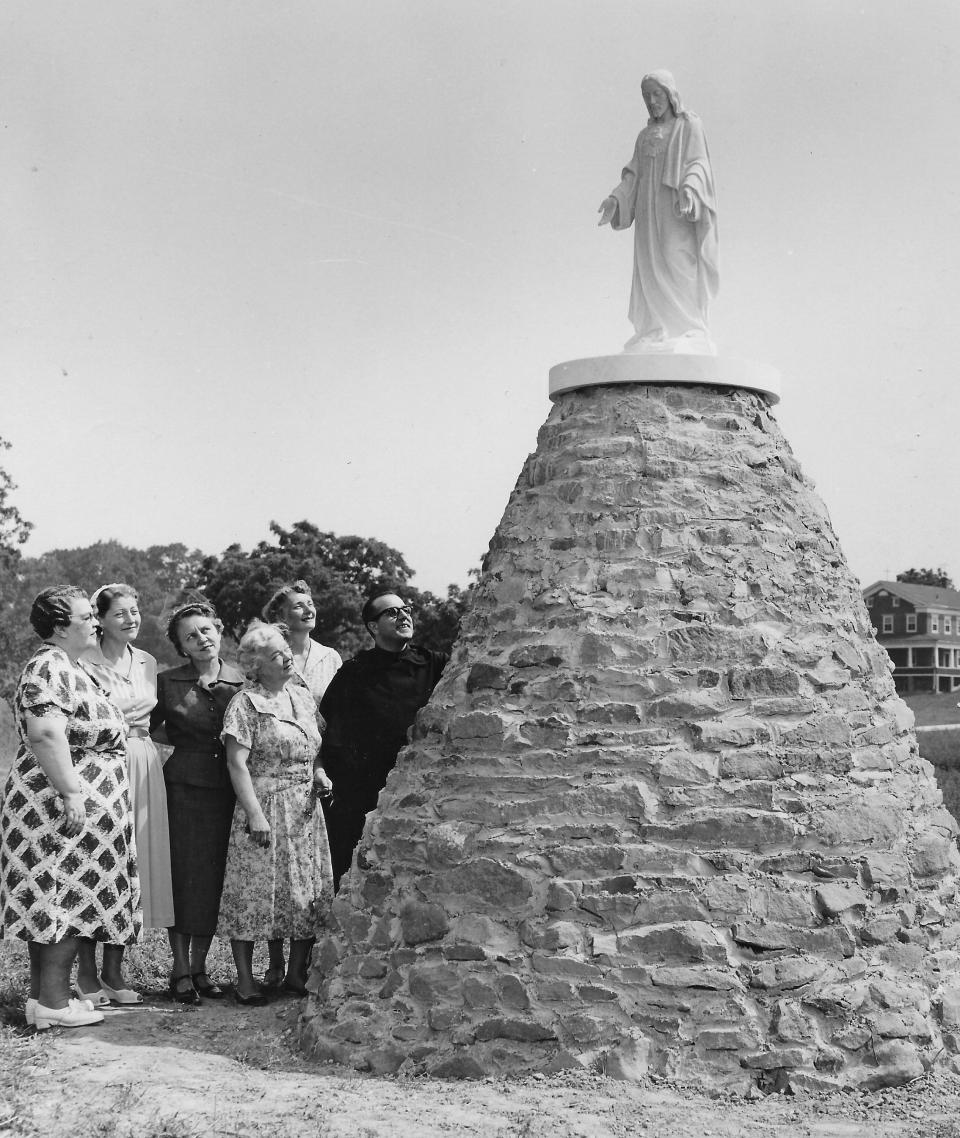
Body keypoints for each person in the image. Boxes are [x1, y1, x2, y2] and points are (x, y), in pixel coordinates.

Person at [0, 586, 139, 1030]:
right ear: (60, 628)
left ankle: (46, 999)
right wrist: (72, 792)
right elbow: (44, 733)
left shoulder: (70, 666)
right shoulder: (48, 666)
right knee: (61, 897)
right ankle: (55, 1004)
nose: (96, 623)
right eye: (85, 618)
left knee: (57, 898)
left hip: (72, 803)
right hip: (55, 805)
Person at [219, 624, 334, 1003]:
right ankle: (245, 980)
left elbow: (313, 748)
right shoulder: (245, 703)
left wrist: (319, 774)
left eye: (286, 650)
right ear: (255, 666)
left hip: (304, 810)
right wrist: (254, 813)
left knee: (303, 892)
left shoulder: (301, 697)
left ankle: (296, 975)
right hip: (266, 805)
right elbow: (237, 764)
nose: (286, 658)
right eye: (275, 655)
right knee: (253, 892)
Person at [76, 583, 175, 1006]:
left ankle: (115, 973)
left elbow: (151, 718)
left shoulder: (148, 662)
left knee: (131, 865)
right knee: (97, 862)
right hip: (100, 763)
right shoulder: (82, 660)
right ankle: (85, 974)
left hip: (143, 761)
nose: (131, 619)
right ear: (100, 619)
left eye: (135, 611)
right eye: (121, 613)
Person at [319, 590, 448, 888]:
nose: (404, 616)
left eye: (406, 609)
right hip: (365, 793)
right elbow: (331, 732)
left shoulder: (434, 664)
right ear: (373, 627)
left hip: (420, 788)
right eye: (392, 612)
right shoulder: (354, 672)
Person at [150, 601, 243, 1005]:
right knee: (185, 877)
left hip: (230, 790)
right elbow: (151, 729)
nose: (202, 639)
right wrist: (188, 749)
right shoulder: (167, 682)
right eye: (191, 636)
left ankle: (201, 967)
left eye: (206, 630)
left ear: (219, 630)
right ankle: (179, 968)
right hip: (184, 790)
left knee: (214, 879)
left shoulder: (242, 679)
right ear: (182, 648)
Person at [598, 70, 718, 354]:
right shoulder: (644, 136)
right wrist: (616, 199)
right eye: (646, 96)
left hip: (676, 207)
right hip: (647, 211)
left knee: (678, 259)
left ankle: (689, 327)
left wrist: (691, 187)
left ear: (669, 95)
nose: (652, 101)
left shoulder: (689, 125)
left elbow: (699, 162)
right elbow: (634, 174)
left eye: (657, 94)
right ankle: (654, 328)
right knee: (650, 265)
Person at [262, 580, 341, 705]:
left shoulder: (331, 658)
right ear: (281, 616)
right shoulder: (267, 658)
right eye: (298, 606)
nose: (309, 610)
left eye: (311, 604)